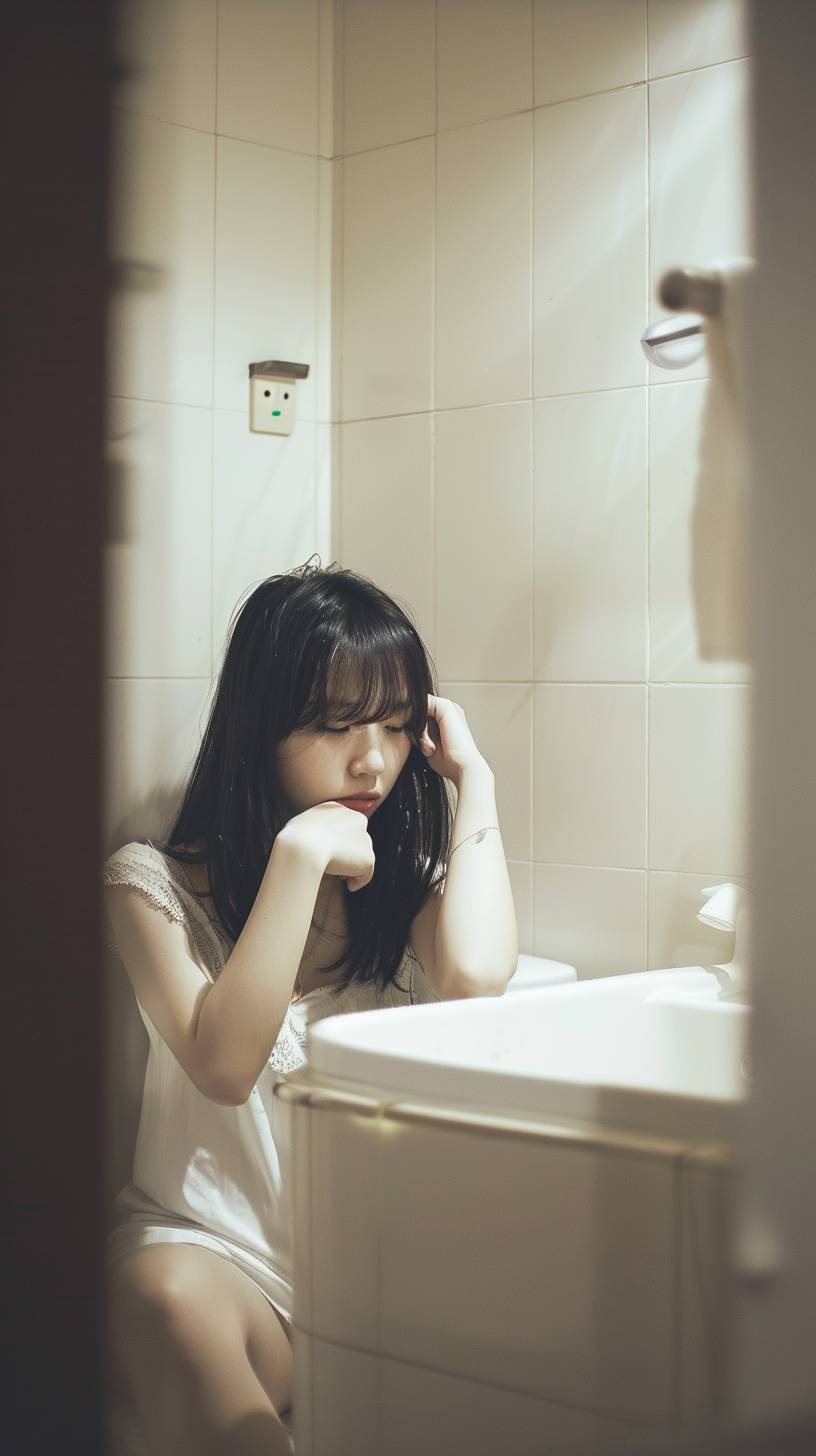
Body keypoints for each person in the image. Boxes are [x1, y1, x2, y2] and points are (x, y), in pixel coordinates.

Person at [102, 557, 517, 1455]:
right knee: (159, 1300)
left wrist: (474, 779)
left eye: (399, 726)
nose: (374, 759)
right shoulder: (152, 887)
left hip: (369, 1272)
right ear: (262, 726)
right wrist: (297, 856)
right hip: (215, 1262)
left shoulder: (398, 885)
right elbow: (222, 1065)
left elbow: (480, 977)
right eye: (338, 725)